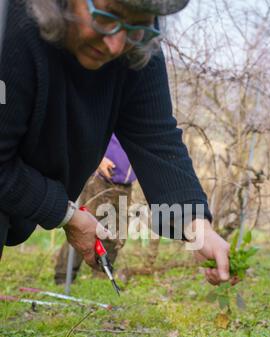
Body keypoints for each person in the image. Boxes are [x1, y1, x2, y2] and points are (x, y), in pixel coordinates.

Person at [0, 0, 232, 287]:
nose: (115, 45)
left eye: (137, 26)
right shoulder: (9, 29)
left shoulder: (136, 44)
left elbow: (156, 138)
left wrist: (198, 226)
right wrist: (66, 214)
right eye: (108, 16)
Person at [54, 133, 137, 284]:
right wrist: (98, 160)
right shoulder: (115, 113)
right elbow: (90, 134)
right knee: (83, 227)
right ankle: (63, 276)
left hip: (126, 184)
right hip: (100, 178)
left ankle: (102, 275)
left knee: (116, 232)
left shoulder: (142, 122)